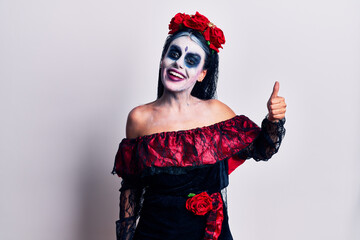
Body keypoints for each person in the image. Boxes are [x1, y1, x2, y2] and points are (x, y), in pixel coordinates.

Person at [111, 12, 287, 240]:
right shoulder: (139, 118)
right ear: (163, 59)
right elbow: (131, 187)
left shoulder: (217, 113)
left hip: (209, 233)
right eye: (173, 54)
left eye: (191, 60)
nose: (178, 64)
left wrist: (274, 120)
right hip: (154, 233)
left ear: (203, 73)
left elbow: (263, 149)